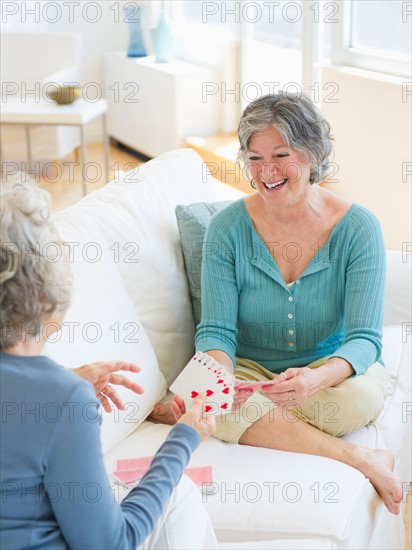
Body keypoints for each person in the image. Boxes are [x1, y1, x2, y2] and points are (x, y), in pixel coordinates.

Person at [150, 93, 403, 515]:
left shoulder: (359, 227)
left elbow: (364, 339)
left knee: (354, 402)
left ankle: (234, 420)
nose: (266, 171)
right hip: (248, 369)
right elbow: (216, 331)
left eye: (280, 154)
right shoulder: (227, 229)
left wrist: (317, 379)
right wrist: (222, 382)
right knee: (213, 400)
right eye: (254, 158)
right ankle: (359, 458)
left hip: (330, 369)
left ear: (312, 153)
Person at [0, 176, 218, 549]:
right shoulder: (61, 399)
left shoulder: (58, 393)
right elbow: (111, 544)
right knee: (178, 492)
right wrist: (183, 438)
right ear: (43, 290)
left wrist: (71, 381)